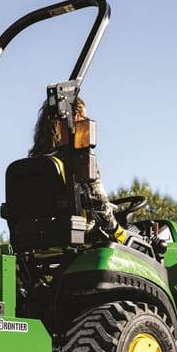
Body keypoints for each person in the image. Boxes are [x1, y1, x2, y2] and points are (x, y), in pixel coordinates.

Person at [29, 97, 126, 244]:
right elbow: (97, 202)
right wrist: (118, 232)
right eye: (84, 118)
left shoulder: (36, 161)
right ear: (76, 118)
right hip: (83, 240)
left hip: (39, 240)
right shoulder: (80, 159)